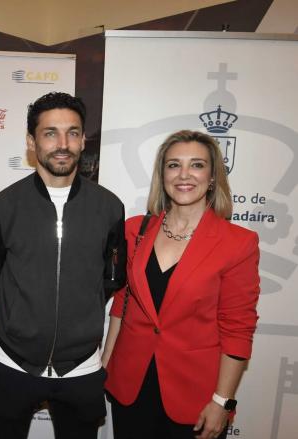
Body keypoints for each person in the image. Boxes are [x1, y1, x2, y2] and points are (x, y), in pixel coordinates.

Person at [102, 130, 260, 439]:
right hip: (130, 385)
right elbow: (122, 303)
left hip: (195, 395)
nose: (184, 175)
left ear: (212, 176)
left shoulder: (238, 243)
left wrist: (222, 401)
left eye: (197, 165)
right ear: (162, 174)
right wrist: (106, 365)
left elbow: (238, 329)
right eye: (174, 165)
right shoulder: (134, 230)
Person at [0, 92, 126, 439]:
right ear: (32, 142)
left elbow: (110, 280)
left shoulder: (109, 208)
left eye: (73, 132)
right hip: (12, 362)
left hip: (82, 366)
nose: (62, 144)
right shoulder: (2, 207)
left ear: (83, 140)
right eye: (50, 133)